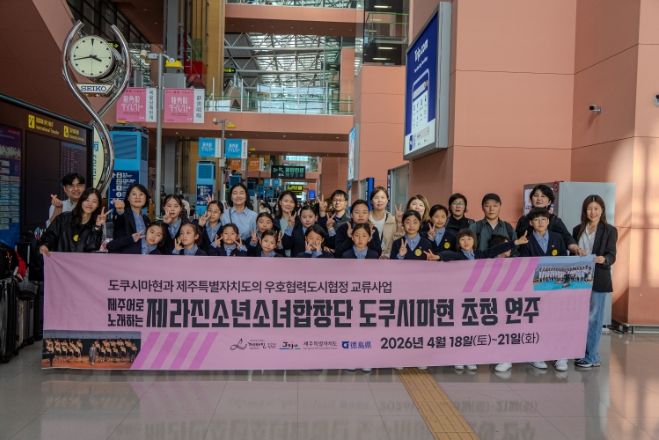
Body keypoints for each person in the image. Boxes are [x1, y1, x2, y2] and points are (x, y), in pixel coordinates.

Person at [441, 229, 528, 372]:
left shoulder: (480, 255)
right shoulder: (457, 256)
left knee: (473, 330)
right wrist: (438, 257)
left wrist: (516, 242)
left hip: (478, 300)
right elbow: (446, 254)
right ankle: (459, 358)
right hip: (461, 300)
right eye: (462, 239)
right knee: (460, 330)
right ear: (458, 243)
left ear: (474, 241)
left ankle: (470, 358)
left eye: (469, 239)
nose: (466, 242)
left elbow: (496, 250)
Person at [517, 207, 568, 372]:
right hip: (534, 289)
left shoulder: (557, 238)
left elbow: (564, 260)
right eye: (536, 220)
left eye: (544, 219)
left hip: (555, 288)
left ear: (548, 221)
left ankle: (560, 356)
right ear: (531, 223)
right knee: (536, 322)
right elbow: (523, 264)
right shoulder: (526, 240)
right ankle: (536, 355)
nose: (540, 222)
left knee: (557, 322)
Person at [573, 195, 617, 369]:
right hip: (579, 278)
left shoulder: (609, 230)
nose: (592, 212)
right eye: (589, 209)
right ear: (585, 211)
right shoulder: (577, 229)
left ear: (602, 210)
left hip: (599, 277)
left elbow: (612, 254)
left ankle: (591, 356)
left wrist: (603, 259)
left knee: (594, 318)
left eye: (596, 209)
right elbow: (572, 251)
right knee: (581, 317)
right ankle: (587, 353)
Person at [515, 184, 581, 255]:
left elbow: (567, 238)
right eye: (536, 195)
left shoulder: (555, 220)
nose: (539, 199)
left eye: (543, 196)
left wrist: (577, 249)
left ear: (549, 202)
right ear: (531, 200)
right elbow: (516, 240)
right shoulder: (523, 219)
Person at [39, 188, 107, 254]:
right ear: (81, 201)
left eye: (94, 201)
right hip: (61, 261)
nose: (90, 204)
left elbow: (92, 248)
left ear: (98, 205)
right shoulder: (64, 218)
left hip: (81, 261)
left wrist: (97, 226)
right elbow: (50, 235)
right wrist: (45, 245)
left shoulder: (95, 225)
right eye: (87, 200)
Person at [112, 183, 151, 253]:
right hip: (128, 256)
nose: (137, 197)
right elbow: (119, 219)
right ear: (128, 198)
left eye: (141, 194)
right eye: (134, 194)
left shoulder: (146, 219)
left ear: (146, 198)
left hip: (145, 255)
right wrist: (120, 211)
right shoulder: (125, 214)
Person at [368, 186, 398, 258]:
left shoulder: (393, 220)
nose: (379, 200)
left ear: (387, 200)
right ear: (371, 201)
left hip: (387, 257)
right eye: (376, 198)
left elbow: (397, 241)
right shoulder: (365, 219)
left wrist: (399, 224)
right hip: (369, 257)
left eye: (382, 197)